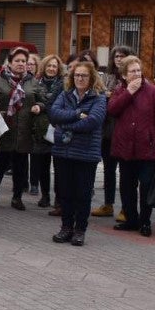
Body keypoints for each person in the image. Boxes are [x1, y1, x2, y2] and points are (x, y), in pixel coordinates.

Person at [106, 55, 155, 237]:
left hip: (147, 148)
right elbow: (112, 110)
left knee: (146, 186)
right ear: (124, 75)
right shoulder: (120, 90)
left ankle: (145, 221)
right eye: (132, 71)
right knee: (127, 186)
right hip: (125, 147)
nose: (136, 74)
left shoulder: (152, 92)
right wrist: (128, 93)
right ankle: (131, 219)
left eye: (138, 70)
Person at [49, 60, 108, 247]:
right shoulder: (65, 94)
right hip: (63, 152)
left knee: (82, 194)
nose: (80, 79)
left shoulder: (98, 98)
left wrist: (65, 126)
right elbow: (54, 114)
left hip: (86, 154)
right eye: (76, 75)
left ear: (91, 78)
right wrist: (76, 114)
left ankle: (80, 230)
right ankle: (66, 227)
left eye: (84, 75)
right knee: (64, 192)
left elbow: (92, 122)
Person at [91, 46, 131, 221]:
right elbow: (100, 95)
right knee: (109, 169)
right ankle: (108, 204)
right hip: (107, 129)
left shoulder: (130, 78)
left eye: (122, 56)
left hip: (124, 129)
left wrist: (112, 96)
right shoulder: (106, 76)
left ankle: (126, 207)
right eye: (116, 56)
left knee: (126, 172)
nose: (119, 59)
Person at [0, 48, 34, 210]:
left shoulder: (32, 81)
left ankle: (17, 198)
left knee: (21, 168)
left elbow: (43, 100)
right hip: (4, 130)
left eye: (23, 61)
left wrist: (39, 105)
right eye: (17, 61)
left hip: (23, 131)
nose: (21, 64)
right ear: (9, 63)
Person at [29, 54, 62, 210]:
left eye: (54, 66)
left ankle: (59, 199)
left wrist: (42, 107)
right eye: (49, 65)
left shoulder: (63, 85)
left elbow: (55, 105)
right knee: (43, 166)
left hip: (57, 128)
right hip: (40, 130)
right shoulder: (36, 83)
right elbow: (32, 101)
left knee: (59, 167)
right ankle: (45, 195)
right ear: (44, 67)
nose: (51, 68)